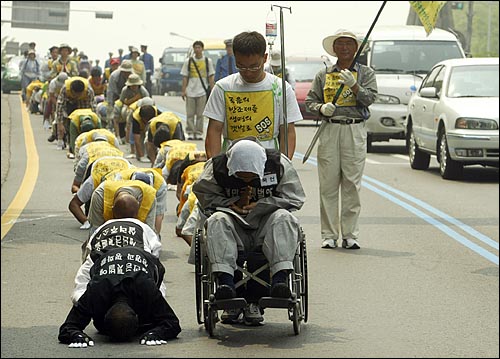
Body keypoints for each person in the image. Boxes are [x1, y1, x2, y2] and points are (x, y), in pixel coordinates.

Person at [192, 137, 305, 325]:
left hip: (265, 223)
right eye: (241, 176)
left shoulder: (278, 165)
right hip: (233, 224)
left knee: (285, 218)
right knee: (216, 220)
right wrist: (231, 204)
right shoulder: (216, 168)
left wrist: (261, 204)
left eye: (251, 177)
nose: (246, 180)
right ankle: (226, 286)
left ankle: (280, 281)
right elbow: (204, 196)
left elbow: (295, 198)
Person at [58, 214, 181, 346]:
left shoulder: (145, 287)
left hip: (144, 263)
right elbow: (171, 323)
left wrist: (154, 332)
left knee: (156, 303)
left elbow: (172, 323)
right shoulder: (97, 290)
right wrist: (158, 332)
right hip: (107, 262)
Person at [305, 29, 378, 250]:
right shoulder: (323, 74)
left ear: (356, 48)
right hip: (330, 128)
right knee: (328, 184)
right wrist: (321, 108)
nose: (345, 47)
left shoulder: (366, 73)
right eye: (340, 44)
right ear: (334, 48)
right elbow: (310, 101)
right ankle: (329, 234)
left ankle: (350, 234)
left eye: (349, 44)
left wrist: (355, 86)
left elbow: (370, 98)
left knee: (351, 185)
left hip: (354, 130)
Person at [204, 31, 302, 160]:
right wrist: (214, 165)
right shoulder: (223, 88)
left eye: (254, 67)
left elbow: (288, 131)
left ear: (265, 58)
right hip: (231, 160)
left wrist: (284, 165)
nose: (248, 73)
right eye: (241, 67)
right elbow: (214, 131)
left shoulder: (280, 89)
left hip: (268, 160)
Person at [180, 40, 215, 141]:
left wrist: (213, 89)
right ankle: (190, 132)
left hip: (202, 91)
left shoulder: (207, 61)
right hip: (190, 91)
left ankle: (199, 132)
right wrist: (183, 90)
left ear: (202, 49)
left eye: (199, 47)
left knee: (200, 114)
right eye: (195, 47)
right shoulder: (188, 61)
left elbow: (211, 76)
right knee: (190, 114)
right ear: (193, 49)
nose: (197, 49)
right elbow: (185, 77)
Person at [55, 76, 96, 152]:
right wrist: (60, 124)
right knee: (67, 120)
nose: (77, 96)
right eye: (75, 94)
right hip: (70, 102)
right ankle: (61, 140)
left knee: (85, 118)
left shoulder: (88, 91)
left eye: (78, 95)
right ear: (71, 90)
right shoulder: (65, 89)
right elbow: (60, 106)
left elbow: (92, 108)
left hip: (84, 103)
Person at [106, 60, 133, 142]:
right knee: (116, 114)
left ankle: (126, 135)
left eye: (128, 72)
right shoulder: (114, 76)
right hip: (116, 96)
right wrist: (110, 104)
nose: (126, 74)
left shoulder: (133, 76)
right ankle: (116, 133)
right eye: (125, 72)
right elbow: (111, 91)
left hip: (129, 97)